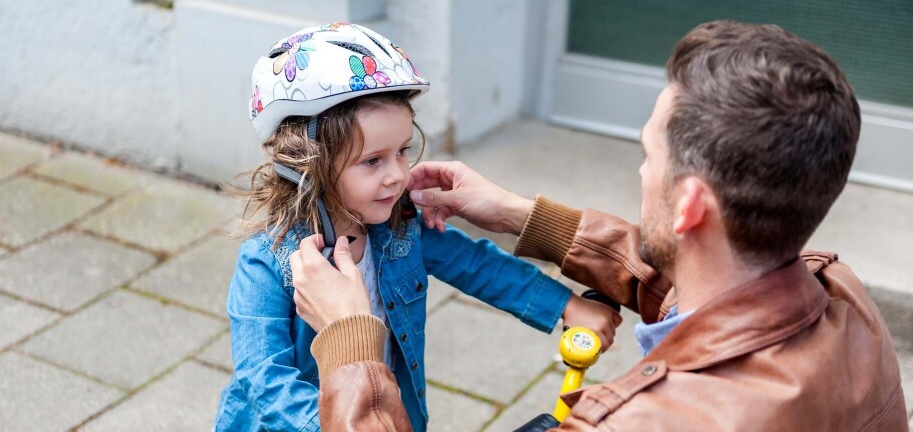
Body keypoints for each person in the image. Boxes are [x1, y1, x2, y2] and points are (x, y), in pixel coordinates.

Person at [289, 20, 909, 431]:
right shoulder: (844, 301)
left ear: (691, 206)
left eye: (648, 155)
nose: (642, 173)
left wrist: (350, 344)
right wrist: (519, 216)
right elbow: (710, 296)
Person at [213, 23, 620, 432]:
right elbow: (264, 381)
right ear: (308, 165)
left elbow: (478, 265)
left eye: (402, 151)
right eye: (373, 161)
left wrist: (566, 305)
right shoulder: (266, 263)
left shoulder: (402, 231)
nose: (397, 175)